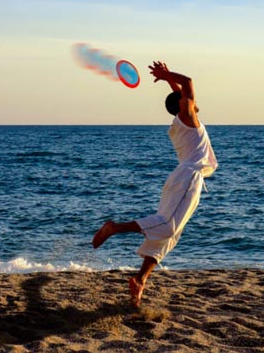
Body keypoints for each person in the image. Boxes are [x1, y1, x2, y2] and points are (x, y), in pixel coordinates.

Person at [92, 61, 218, 307]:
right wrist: (166, 74)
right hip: (188, 178)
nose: (191, 101)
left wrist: (168, 81)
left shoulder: (185, 121)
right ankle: (114, 228)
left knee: (170, 236)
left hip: (185, 179)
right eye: (186, 100)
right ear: (184, 105)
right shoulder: (187, 117)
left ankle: (140, 280)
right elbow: (189, 83)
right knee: (168, 226)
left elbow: (182, 92)